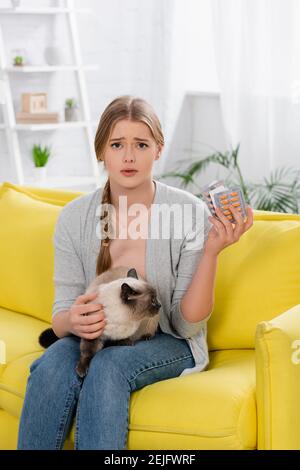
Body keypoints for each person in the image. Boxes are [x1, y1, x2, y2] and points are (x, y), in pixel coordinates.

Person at [17, 95, 253, 450]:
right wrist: (74, 322)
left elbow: (187, 325)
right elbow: (61, 314)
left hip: (169, 340)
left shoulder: (188, 213)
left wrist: (211, 252)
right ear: (101, 152)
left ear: (158, 150)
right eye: (117, 144)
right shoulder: (74, 218)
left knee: (109, 367)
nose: (128, 156)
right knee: (49, 369)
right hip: (98, 335)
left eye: (140, 144)